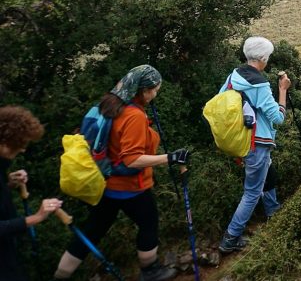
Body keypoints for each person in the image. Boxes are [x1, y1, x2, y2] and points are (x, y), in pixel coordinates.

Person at [55, 66, 187, 281]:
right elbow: (132, 159)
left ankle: (60, 275)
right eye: (154, 90)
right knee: (148, 222)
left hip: (102, 183)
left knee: (93, 230)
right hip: (129, 186)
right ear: (143, 90)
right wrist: (170, 158)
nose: (155, 94)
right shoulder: (133, 115)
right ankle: (150, 270)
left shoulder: (107, 104)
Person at [218, 38, 289, 254]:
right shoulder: (260, 84)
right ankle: (230, 238)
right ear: (263, 59)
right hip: (257, 142)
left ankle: (273, 211)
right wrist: (283, 91)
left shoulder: (233, 76)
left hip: (239, 138)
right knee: (251, 192)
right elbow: (277, 118)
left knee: (268, 173)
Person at [1, 106, 62, 281]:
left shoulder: (1, 163)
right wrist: (36, 217)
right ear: (5, 141)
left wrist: (9, 183)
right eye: (21, 144)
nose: (23, 150)